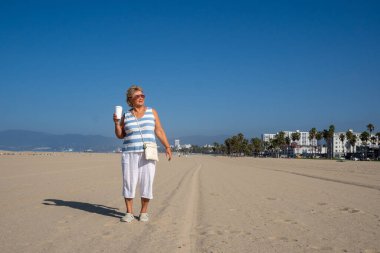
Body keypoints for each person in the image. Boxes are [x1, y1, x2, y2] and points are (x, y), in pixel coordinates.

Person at [113, 85, 172, 223]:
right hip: (129, 153)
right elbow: (120, 135)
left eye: (142, 95)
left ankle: (144, 212)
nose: (141, 98)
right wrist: (116, 124)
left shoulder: (152, 112)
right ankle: (129, 213)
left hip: (148, 152)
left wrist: (167, 147)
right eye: (137, 96)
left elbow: (159, 130)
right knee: (129, 182)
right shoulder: (126, 115)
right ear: (130, 99)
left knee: (147, 181)